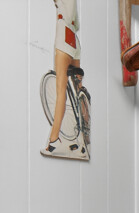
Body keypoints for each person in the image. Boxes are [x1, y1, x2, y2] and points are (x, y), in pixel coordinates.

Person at [41, 0, 82, 156]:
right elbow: (77, 23)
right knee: (78, 92)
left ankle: (53, 140)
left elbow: (69, 16)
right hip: (74, 40)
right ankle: (79, 138)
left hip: (64, 36)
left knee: (61, 91)